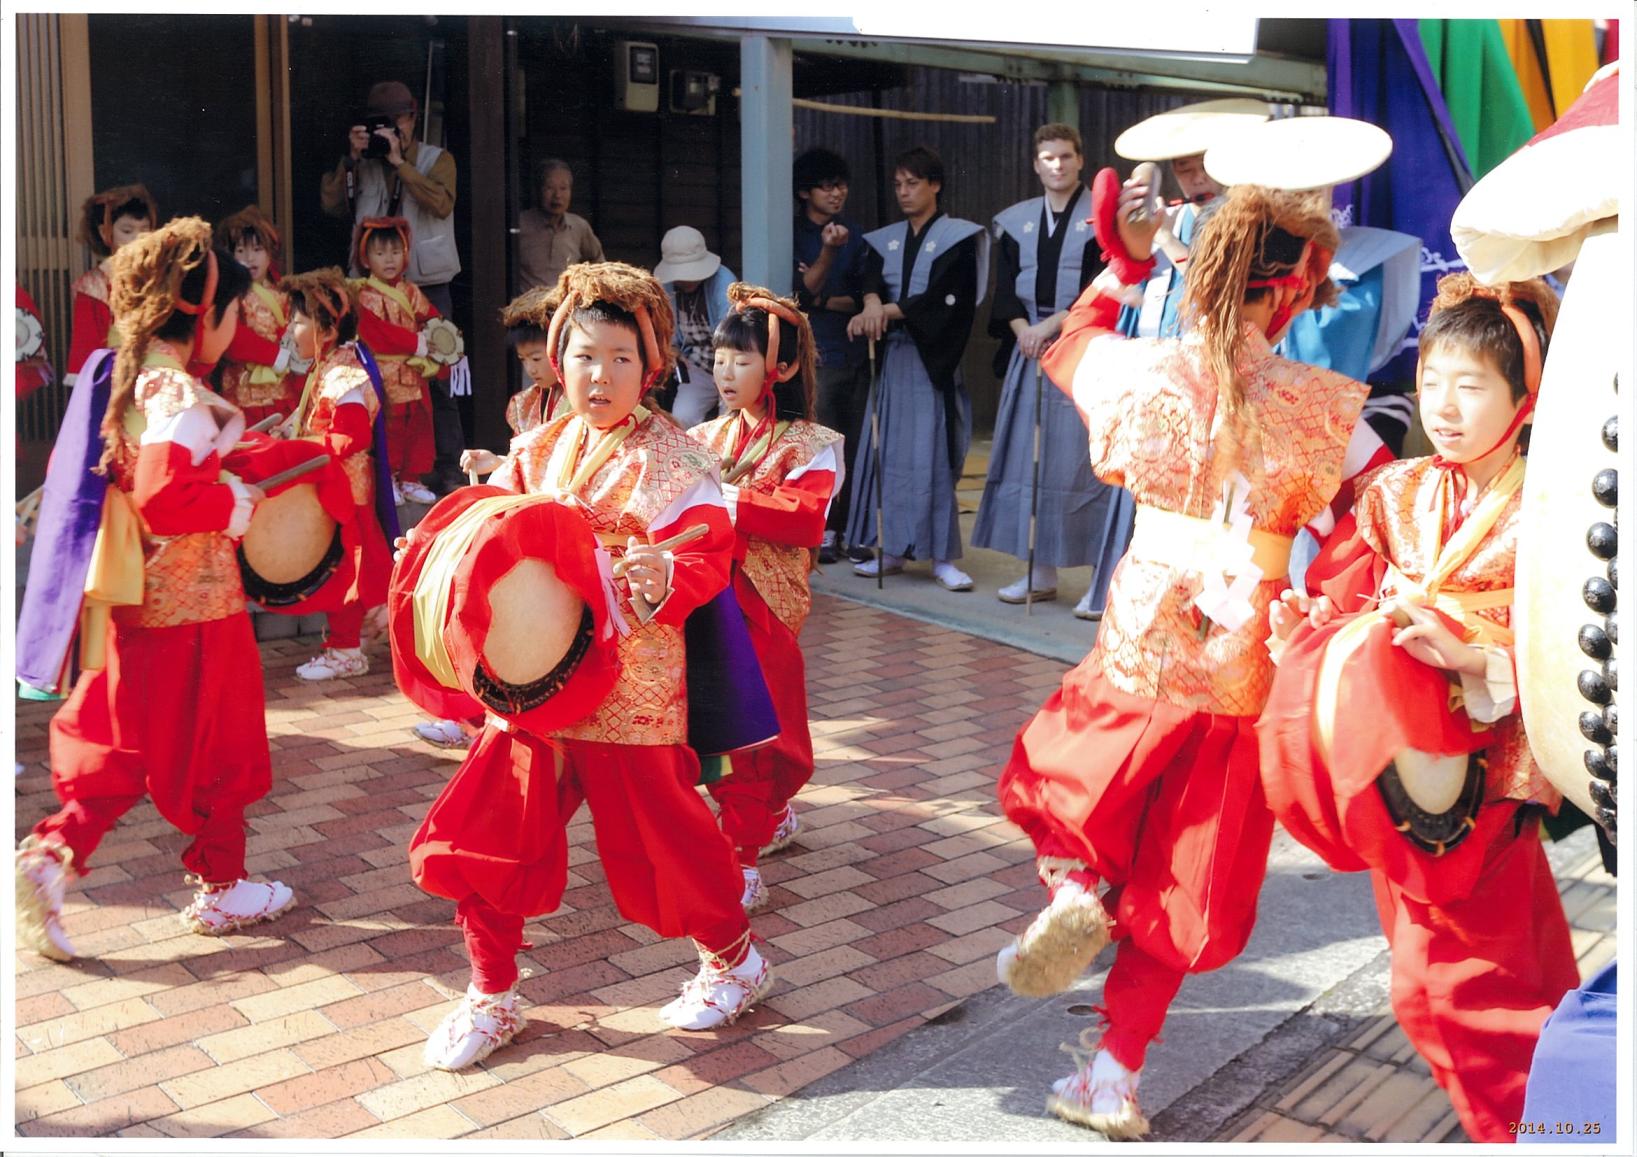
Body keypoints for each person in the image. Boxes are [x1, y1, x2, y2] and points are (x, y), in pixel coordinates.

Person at [994, 183, 1368, 1137]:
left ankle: (1075, 887)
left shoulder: (1144, 371)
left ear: (1201, 281)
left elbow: (1065, 345)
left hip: (1145, 627)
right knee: (1186, 861)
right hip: (1245, 644)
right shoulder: (1325, 408)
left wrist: (1118, 272)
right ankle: (1113, 1076)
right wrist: (1321, 600)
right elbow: (1374, 512)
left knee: (1071, 776)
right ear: (1289, 295)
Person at [406, 262, 771, 1071]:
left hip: (630, 686)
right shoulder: (535, 447)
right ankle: (493, 993)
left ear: (650, 368)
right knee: (487, 833)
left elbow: (709, 550)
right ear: (555, 357)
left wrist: (666, 575)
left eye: (617, 358)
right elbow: (486, 538)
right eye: (580, 355)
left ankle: (735, 961)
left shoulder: (676, 461)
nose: (597, 375)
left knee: (668, 843)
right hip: (532, 685)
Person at [1260, 275, 1576, 1143]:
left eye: (1470, 385)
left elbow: (1580, 643)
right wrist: (1307, 628)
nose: (1442, 405)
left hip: (1495, 790)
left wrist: (1478, 657)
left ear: (1524, 395)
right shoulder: (1396, 492)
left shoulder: (1556, 512)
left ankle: (1523, 1130)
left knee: (1451, 993)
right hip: (1403, 784)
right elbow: (1340, 598)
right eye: (1432, 380)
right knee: (1511, 978)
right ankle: (1565, 1116)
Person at [15, 219, 296, 960]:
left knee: (123, 743)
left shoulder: (130, 374)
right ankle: (225, 885)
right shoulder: (172, 385)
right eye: (232, 315)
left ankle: (51, 854)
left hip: (138, 599)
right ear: (202, 310)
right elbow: (167, 493)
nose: (236, 332)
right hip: (196, 602)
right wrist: (229, 505)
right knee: (221, 744)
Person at [689, 284, 844, 910]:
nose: (726, 371)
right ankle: (755, 823)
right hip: (706, 600)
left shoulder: (813, 443)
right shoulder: (701, 435)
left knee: (757, 731)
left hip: (764, 605)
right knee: (717, 726)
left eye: (743, 359)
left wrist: (726, 500)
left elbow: (807, 518)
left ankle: (745, 853)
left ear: (779, 367)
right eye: (722, 358)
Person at [972, 123, 1132, 619]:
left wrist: (1048, 327)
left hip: (1084, 349)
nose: (1057, 165)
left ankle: (1099, 580)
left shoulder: (1101, 219)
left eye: (1065, 156)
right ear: (1036, 165)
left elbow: (1099, 285)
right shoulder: (1015, 221)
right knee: (1028, 461)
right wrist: (1025, 329)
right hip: (1030, 352)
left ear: (1080, 160)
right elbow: (1002, 293)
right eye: (1048, 157)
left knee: (1084, 465)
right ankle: (1039, 571)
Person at [415, 284, 562, 750]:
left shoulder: (581, 407)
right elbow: (524, 464)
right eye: (525, 360)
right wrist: (492, 462)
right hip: (525, 524)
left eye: (539, 356)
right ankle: (470, 717)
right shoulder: (524, 405)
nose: (533, 368)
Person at [844, 145, 988, 592]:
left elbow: (947, 298)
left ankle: (941, 556)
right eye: (898, 185)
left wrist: (883, 311)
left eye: (913, 183)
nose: (904, 193)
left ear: (935, 186)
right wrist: (870, 302)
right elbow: (868, 277)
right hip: (892, 362)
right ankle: (890, 549)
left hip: (929, 360)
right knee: (886, 455)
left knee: (929, 457)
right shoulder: (886, 239)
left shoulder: (958, 238)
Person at [320, 79, 464, 493]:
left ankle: (448, 467)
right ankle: (386, 468)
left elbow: (441, 202)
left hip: (425, 282)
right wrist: (349, 160)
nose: (390, 128)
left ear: (412, 117)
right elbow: (331, 205)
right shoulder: (362, 162)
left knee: (436, 379)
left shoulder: (437, 159)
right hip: (370, 289)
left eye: (397, 119)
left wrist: (401, 163)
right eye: (379, 121)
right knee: (375, 380)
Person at [280, 268, 398, 684]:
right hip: (337, 491)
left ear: (326, 328)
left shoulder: (343, 373)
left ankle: (346, 650)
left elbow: (351, 436)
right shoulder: (329, 367)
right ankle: (357, 639)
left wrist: (301, 447)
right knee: (352, 573)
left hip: (346, 493)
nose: (291, 329)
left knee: (345, 573)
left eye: (298, 321)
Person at [791, 147, 870, 565]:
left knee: (855, 446)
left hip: (855, 353)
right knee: (823, 447)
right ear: (805, 192)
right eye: (827, 186)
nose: (836, 193)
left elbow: (859, 296)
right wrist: (825, 262)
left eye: (841, 186)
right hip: (817, 354)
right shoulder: (793, 232)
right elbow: (800, 294)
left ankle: (849, 532)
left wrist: (824, 297)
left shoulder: (855, 232)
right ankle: (820, 531)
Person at [350, 217, 448, 505]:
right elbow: (373, 332)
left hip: (413, 371)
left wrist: (443, 340)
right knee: (389, 424)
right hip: (384, 371)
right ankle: (388, 477)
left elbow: (430, 317)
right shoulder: (362, 294)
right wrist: (417, 342)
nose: (388, 259)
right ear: (366, 259)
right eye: (380, 254)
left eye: (395, 252)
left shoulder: (410, 291)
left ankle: (410, 477)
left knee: (417, 423)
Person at [213, 205, 310, 428]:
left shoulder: (286, 293)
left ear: (270, 254)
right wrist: (275, 354)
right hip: (242, 391)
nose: (249, 258)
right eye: (240, 251)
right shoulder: (229, 295)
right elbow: (232, 338)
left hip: (282, 393)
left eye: (257, 249)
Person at [66, 184, 157, 388]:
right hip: (115, 381)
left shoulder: (163, 278)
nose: (139, 238)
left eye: (145, 230)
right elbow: (87, 350)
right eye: (127, 230)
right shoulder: (92, 286)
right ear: (105, 232)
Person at [656, 225, 736, 427]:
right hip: (696, 365)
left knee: (728, 421)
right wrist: (672, 349)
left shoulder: (723, 282)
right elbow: (667, 327)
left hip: (729, 362)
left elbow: (732, 337)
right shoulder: (667, 287)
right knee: (681, 417)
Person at [517, 159, 605, 292]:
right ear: (538, 190)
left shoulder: (579, 227)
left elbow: (599, 264)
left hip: (567, 308)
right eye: (549, 187)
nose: (557, 195)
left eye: (563, 188)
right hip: (525, 307)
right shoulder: (521, 224)